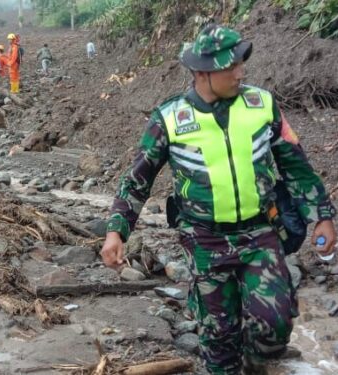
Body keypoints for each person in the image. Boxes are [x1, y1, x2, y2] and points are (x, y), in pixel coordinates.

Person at [100, 24, 336, 375]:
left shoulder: (262, 105)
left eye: (240, 63)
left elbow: (296, 167)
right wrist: (116, 231)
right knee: (219, 340)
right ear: (201, 72)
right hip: (204, 240)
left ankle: (255, 362)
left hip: (260, 232)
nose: (240, 72)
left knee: (275, 326)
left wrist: (322, 216)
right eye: (229, 67)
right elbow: (137, 180)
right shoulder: (170, 119)